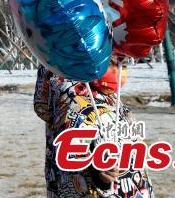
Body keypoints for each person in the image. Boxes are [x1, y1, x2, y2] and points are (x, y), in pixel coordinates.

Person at [34, 62, 154, 197]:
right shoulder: (75, 105)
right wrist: (99, 174)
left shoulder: (108, 96)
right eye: (114, 61)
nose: (121, 68)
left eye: (124, 64)